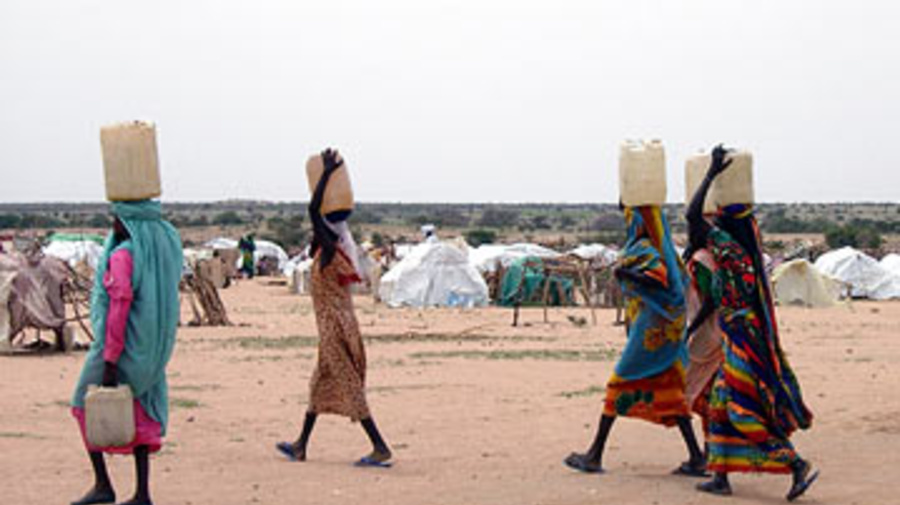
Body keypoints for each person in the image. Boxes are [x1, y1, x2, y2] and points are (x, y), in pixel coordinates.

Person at [686, 145, 817, 500]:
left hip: (741, 340)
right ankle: (721, 477)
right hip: (739, 335)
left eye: (718, 220)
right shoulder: (743, 256)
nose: (712, 224)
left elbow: (692, 215)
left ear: (727, 225)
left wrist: (711, 173)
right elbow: (715, 298)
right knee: (718, 404)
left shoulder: (728, 250)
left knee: (741, 410)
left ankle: (795, 463)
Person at [565, 203, 705, 476]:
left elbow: (659, 281)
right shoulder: (663, 250)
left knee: (618, 383)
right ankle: (696, 456)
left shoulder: (646, 249)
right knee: (669, 390)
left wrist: (625, 274)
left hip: (651, 334)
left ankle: (594, 455)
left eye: (630, 217)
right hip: (662, 332)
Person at [277, 149, 392, 467]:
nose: (312, 234)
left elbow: (313, 210)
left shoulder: (330, 253)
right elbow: (316, 217)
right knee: (319, 386)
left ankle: (380, 447)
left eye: (317, 230)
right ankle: (300, 445)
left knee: (350, 386)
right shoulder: (334, 253)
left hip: (334, 329)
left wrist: (326, 174)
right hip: (337, 326)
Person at [70, 200, 183, 505]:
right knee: (140, 412)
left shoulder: (123, 256)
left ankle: (103, 483)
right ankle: (142, 492)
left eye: (118, 218)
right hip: (151, 349)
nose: (114, 225)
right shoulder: (160, 255)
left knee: (82, 404)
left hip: (119, 348)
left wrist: (110, 359)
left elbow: (118, 310)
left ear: (128, 222)